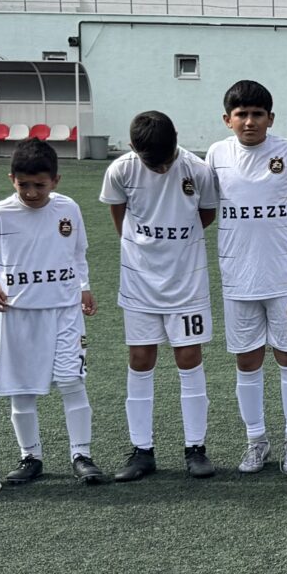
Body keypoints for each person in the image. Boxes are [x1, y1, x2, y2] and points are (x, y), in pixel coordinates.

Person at [0, 138, 103, 486]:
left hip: (64, 310)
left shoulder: (68, 208)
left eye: (40, 185)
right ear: (12, 179)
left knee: (72, 381)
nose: (31, 192)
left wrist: (83, 286)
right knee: (22, 390)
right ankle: (30, 456)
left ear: (55, 181)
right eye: (24, 185)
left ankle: (81, 454)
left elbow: (77, 253)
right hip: (19, 312)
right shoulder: (0, 213)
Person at [102, 111, 221, 481]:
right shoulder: (121, 170)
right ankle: (142, 450)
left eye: (167, 159)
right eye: (153, 164)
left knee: (189, 358)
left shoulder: (198, 170)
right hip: (139, 283)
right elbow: (119, 215)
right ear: (133, 147)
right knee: (140, 359)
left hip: (187, 281)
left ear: (177, 139)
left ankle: (195, 448)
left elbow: (206, 214)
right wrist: (143, 247)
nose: (162, 168)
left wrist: (175, 242)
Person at [205, 80, 287, 476]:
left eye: (257, 114)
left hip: (285, 276)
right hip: (239, 276)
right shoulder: (216, 154)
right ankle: (256, 441)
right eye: (241, 115)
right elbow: (205, 203)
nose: (249, 121)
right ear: (227, 119)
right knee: (247, 360)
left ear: (271, 118)